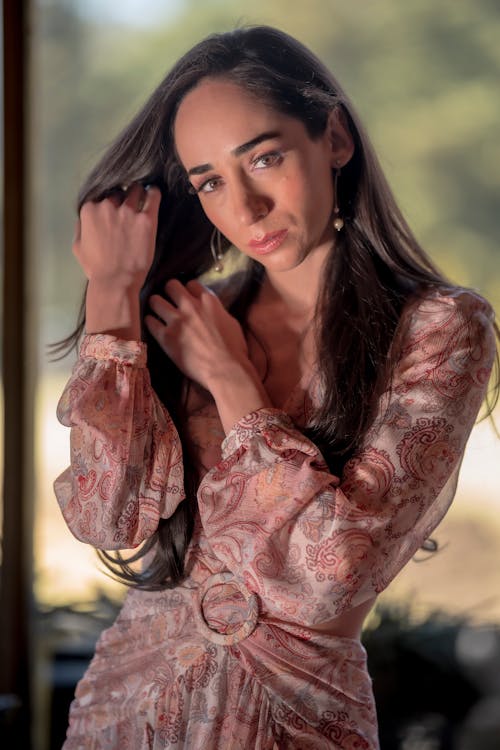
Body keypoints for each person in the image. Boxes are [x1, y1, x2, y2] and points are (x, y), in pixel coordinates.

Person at [53, 25, 498, 750]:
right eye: (210, 182)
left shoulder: (440, 328)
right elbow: (108, 518)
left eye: (264, 157)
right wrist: (112, 290)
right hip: (127, 711)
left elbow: (335, 574)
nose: (247, 207)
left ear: (335, 139)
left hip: (297, 718)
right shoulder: (191, 316)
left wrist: (232, 381)